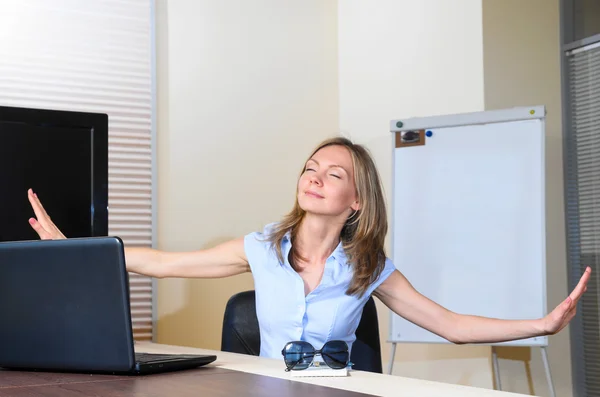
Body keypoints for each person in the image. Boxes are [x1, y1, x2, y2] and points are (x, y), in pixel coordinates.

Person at [26, 136, 590, 360]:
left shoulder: (370, 267)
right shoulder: (260, 248)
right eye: (310, 167)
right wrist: (71, 247)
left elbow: (450, 324)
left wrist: (540, 325)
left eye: (334, 173)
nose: (315, 176)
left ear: (357, 201)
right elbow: (163, 265)